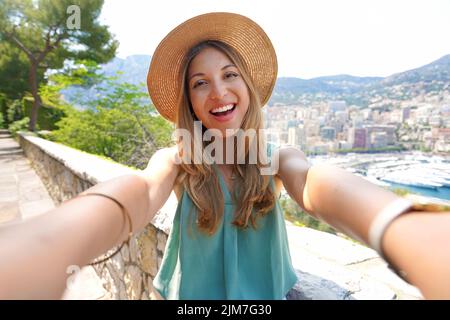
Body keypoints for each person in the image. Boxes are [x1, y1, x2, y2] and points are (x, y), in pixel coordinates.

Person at [1, 12, 449, 300]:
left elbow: (312, 184)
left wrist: (398, 224)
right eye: (200, 82)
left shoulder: (276, 155)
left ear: (248, 88)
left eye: (229, 74)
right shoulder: (179, 158)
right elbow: (141, 190)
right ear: (190, 101)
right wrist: (51, 241)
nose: (217, 92)